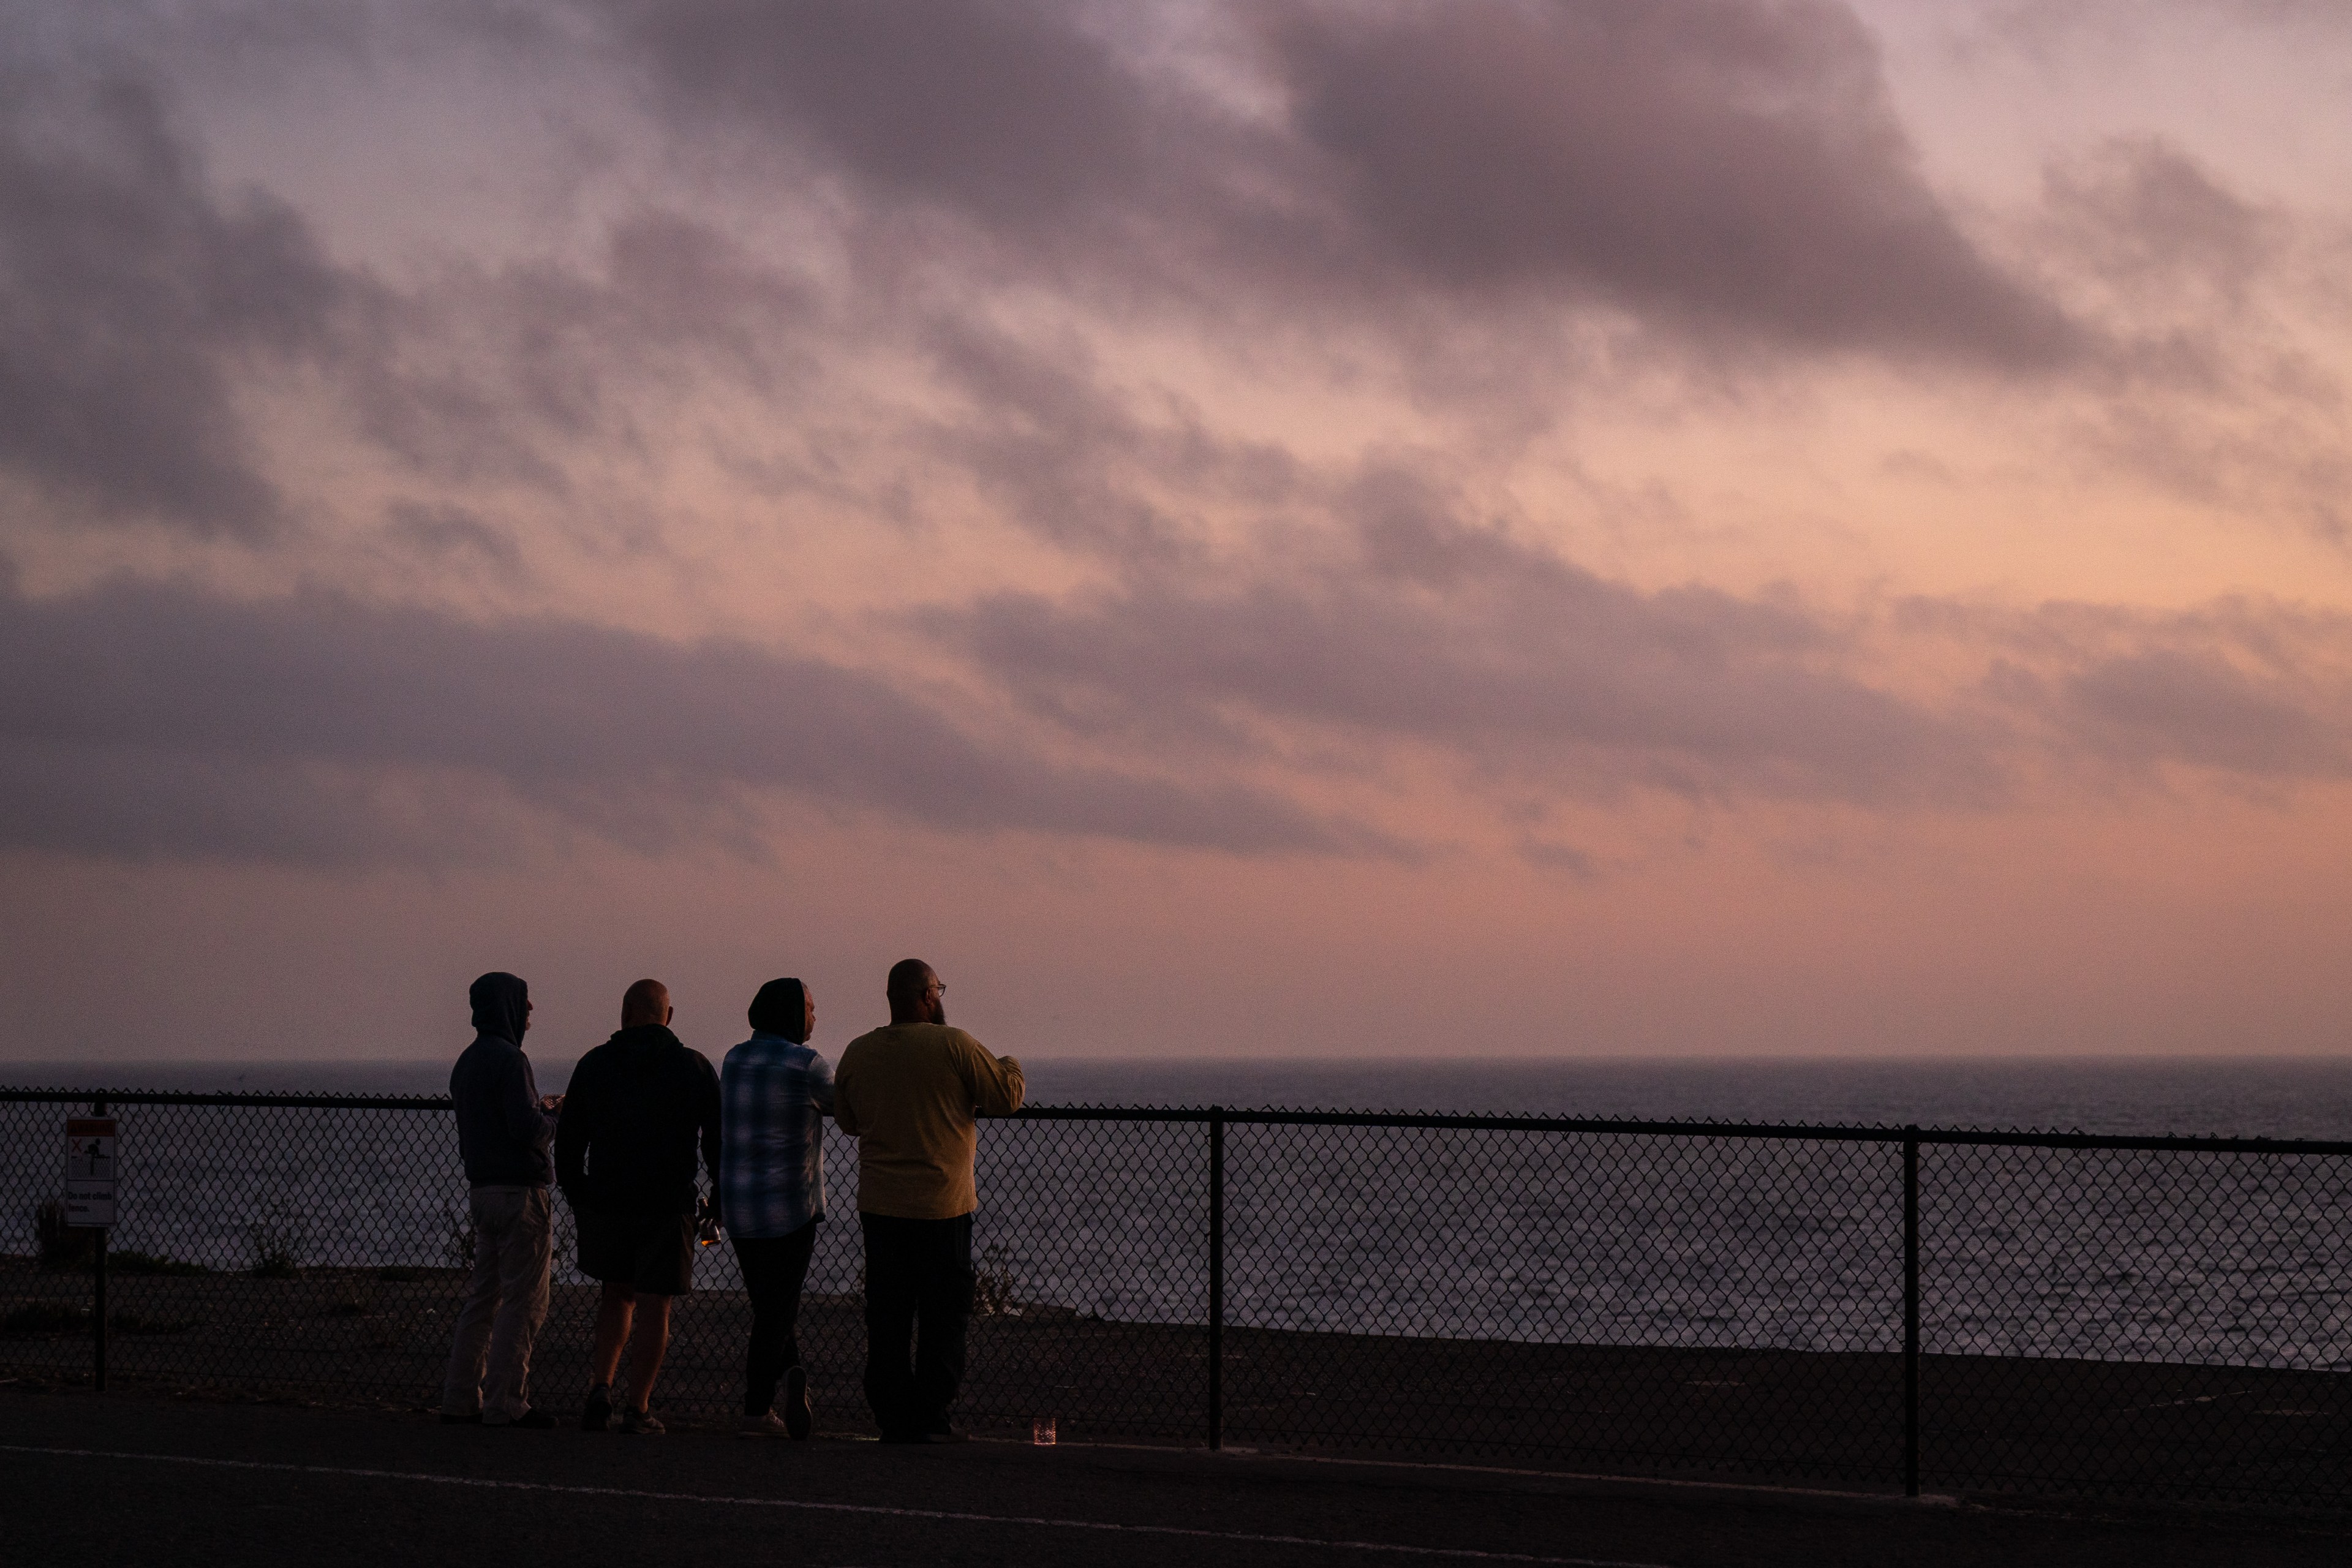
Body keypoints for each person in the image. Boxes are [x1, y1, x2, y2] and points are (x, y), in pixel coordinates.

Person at [832, 959, 1024, 1443]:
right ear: (926, 997)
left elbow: (849, 1120)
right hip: (943, 1208)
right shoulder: (955, 1045)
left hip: (881, 1208)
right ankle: (931, 1413)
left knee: (889, 1315)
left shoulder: (859, 1052)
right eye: (938, 990)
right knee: (944, 1316)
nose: (940, 998)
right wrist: (1012, 1064)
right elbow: (1005, 1095)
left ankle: (893, 1415)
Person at [554, 978, 722, 1436]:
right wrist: (719, 1196)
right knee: (655, 1304)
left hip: (608, 1200)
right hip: (668, 1203)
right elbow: (716, 1142)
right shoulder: (693, 1067)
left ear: (625, 1012)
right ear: (669, 1015)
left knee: (616, 1294)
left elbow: (569, 1142)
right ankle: (638, 1407)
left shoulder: (595, 1065)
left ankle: (600, 1387)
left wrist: (580, 1194)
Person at [441, 971, 561, 1428]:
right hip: (519, 1193)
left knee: (483, 1297)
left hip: (483, 1191)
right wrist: (554, 1119)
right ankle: (506, 1401)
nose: (530, 1009)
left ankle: (459, 1395)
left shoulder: (466, 1063)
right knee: (524, 1300)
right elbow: (527, 1130)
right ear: (510, 1005)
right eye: (525, 1001)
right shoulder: (513, 1061)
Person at [719, 976, 835, 1439]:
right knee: (775, 1312)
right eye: (809, 1007)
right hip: (791, 1207)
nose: (814, 1016)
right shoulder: (807, 1065)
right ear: (790, 1013)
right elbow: (848, 1111)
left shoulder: (734, 1059)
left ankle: (791, 1375)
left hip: (740, 1207)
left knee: (768, 1303)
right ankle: (756, 1409)